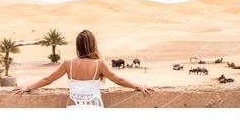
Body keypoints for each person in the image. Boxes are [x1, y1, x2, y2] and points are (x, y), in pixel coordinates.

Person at [12, 29, 153, 107]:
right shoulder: (99, 64)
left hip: (73, 105)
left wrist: (27, 87)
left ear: (78, 45)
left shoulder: (68, 63)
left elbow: (48, 79)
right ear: (93, 44)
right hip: (94, 106)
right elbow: (118, 80)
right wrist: (138, 86)